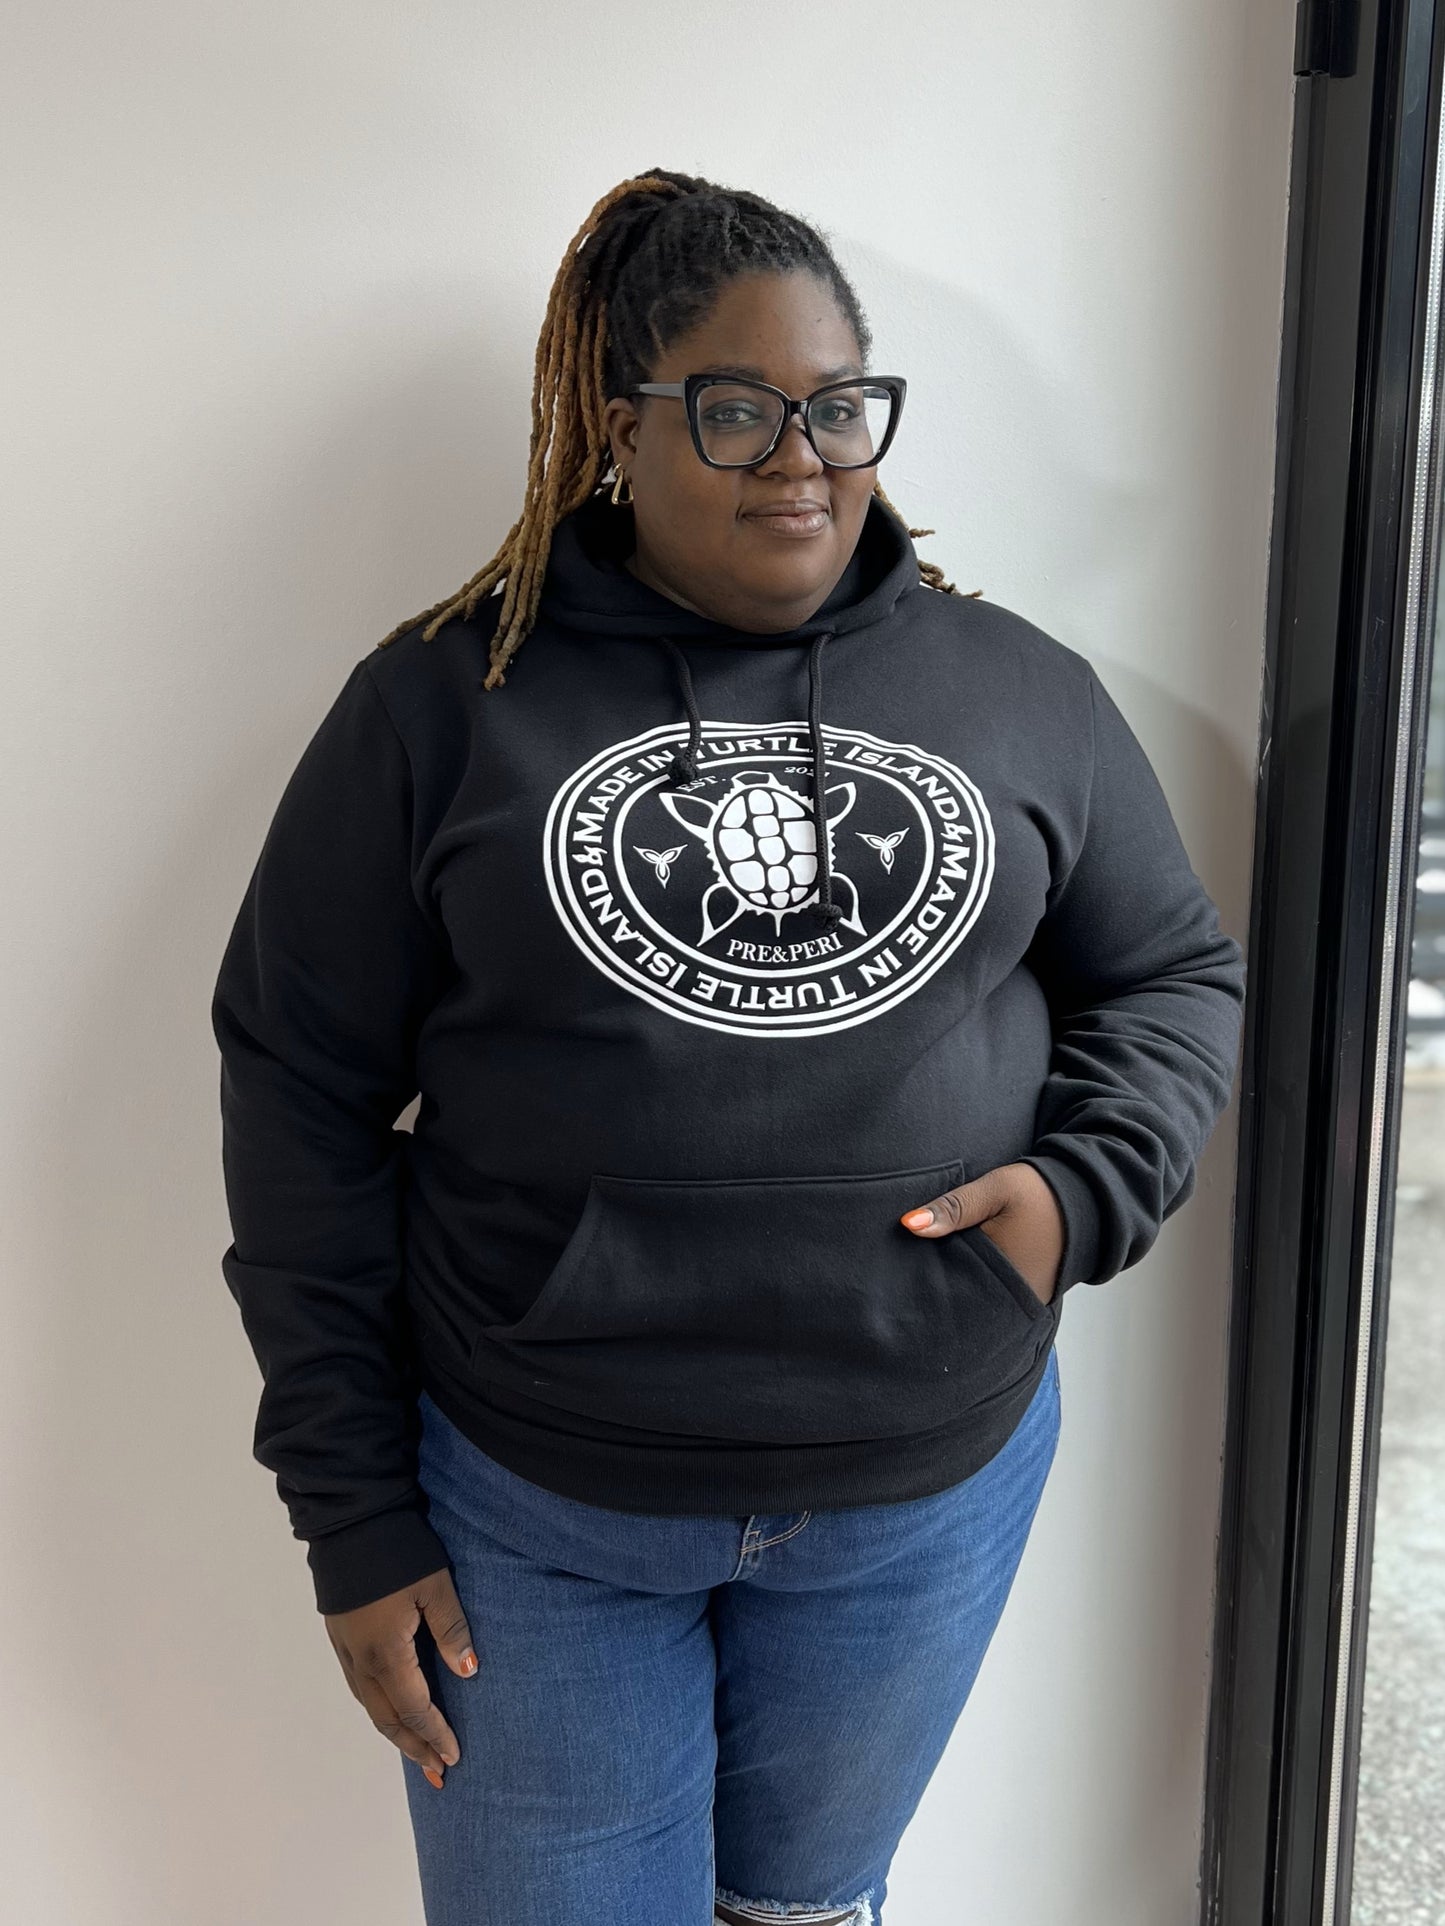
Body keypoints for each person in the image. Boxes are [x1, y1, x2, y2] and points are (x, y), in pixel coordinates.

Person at [211, 168, 1248, 1925]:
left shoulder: (1017, 689)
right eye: (737, 405)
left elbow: (1167, 974)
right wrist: (352, 1508)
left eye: (839, 404)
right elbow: (295, 1083)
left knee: (805, 1913)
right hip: (534, 1505)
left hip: (919, 1492)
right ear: (620, 424)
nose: (802, 454)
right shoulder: (442, 704)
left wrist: (1081, 1195)